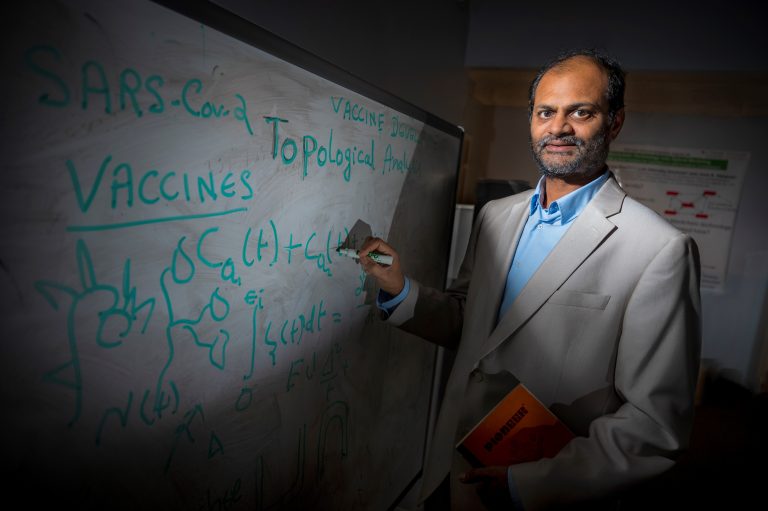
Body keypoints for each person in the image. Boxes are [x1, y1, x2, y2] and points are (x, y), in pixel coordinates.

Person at [359, 49, 702, 510]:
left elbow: (654, 425)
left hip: (539, 490)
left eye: (581, 112)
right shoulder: (497, 217)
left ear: (614, 122)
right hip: (447, 470)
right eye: (546, 112)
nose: (558, 128)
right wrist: (399, 289)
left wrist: (530, 484)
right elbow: (471, 326)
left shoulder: (659, 249)